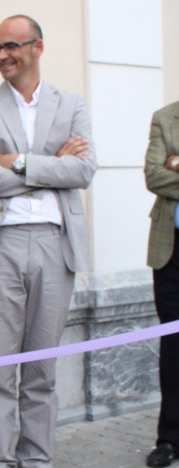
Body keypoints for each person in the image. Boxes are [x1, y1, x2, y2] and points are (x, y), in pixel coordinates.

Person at [0, 15, 97, 467]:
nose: (3, 55)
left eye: (11, 46)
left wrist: (18, 163)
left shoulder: (70, 104)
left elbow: (85, 171)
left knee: (43, 367)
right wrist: (51, 165)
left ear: (38, 47)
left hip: (56, 244)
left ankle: (36, 460)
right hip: (0, 246)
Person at [143, 99, 179, 468]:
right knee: (174, 349)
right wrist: (166, 167)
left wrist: (177, 163)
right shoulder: (165, 118)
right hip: (171, 251)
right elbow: (153, 175)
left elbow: (166, 172)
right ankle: (170, 438)